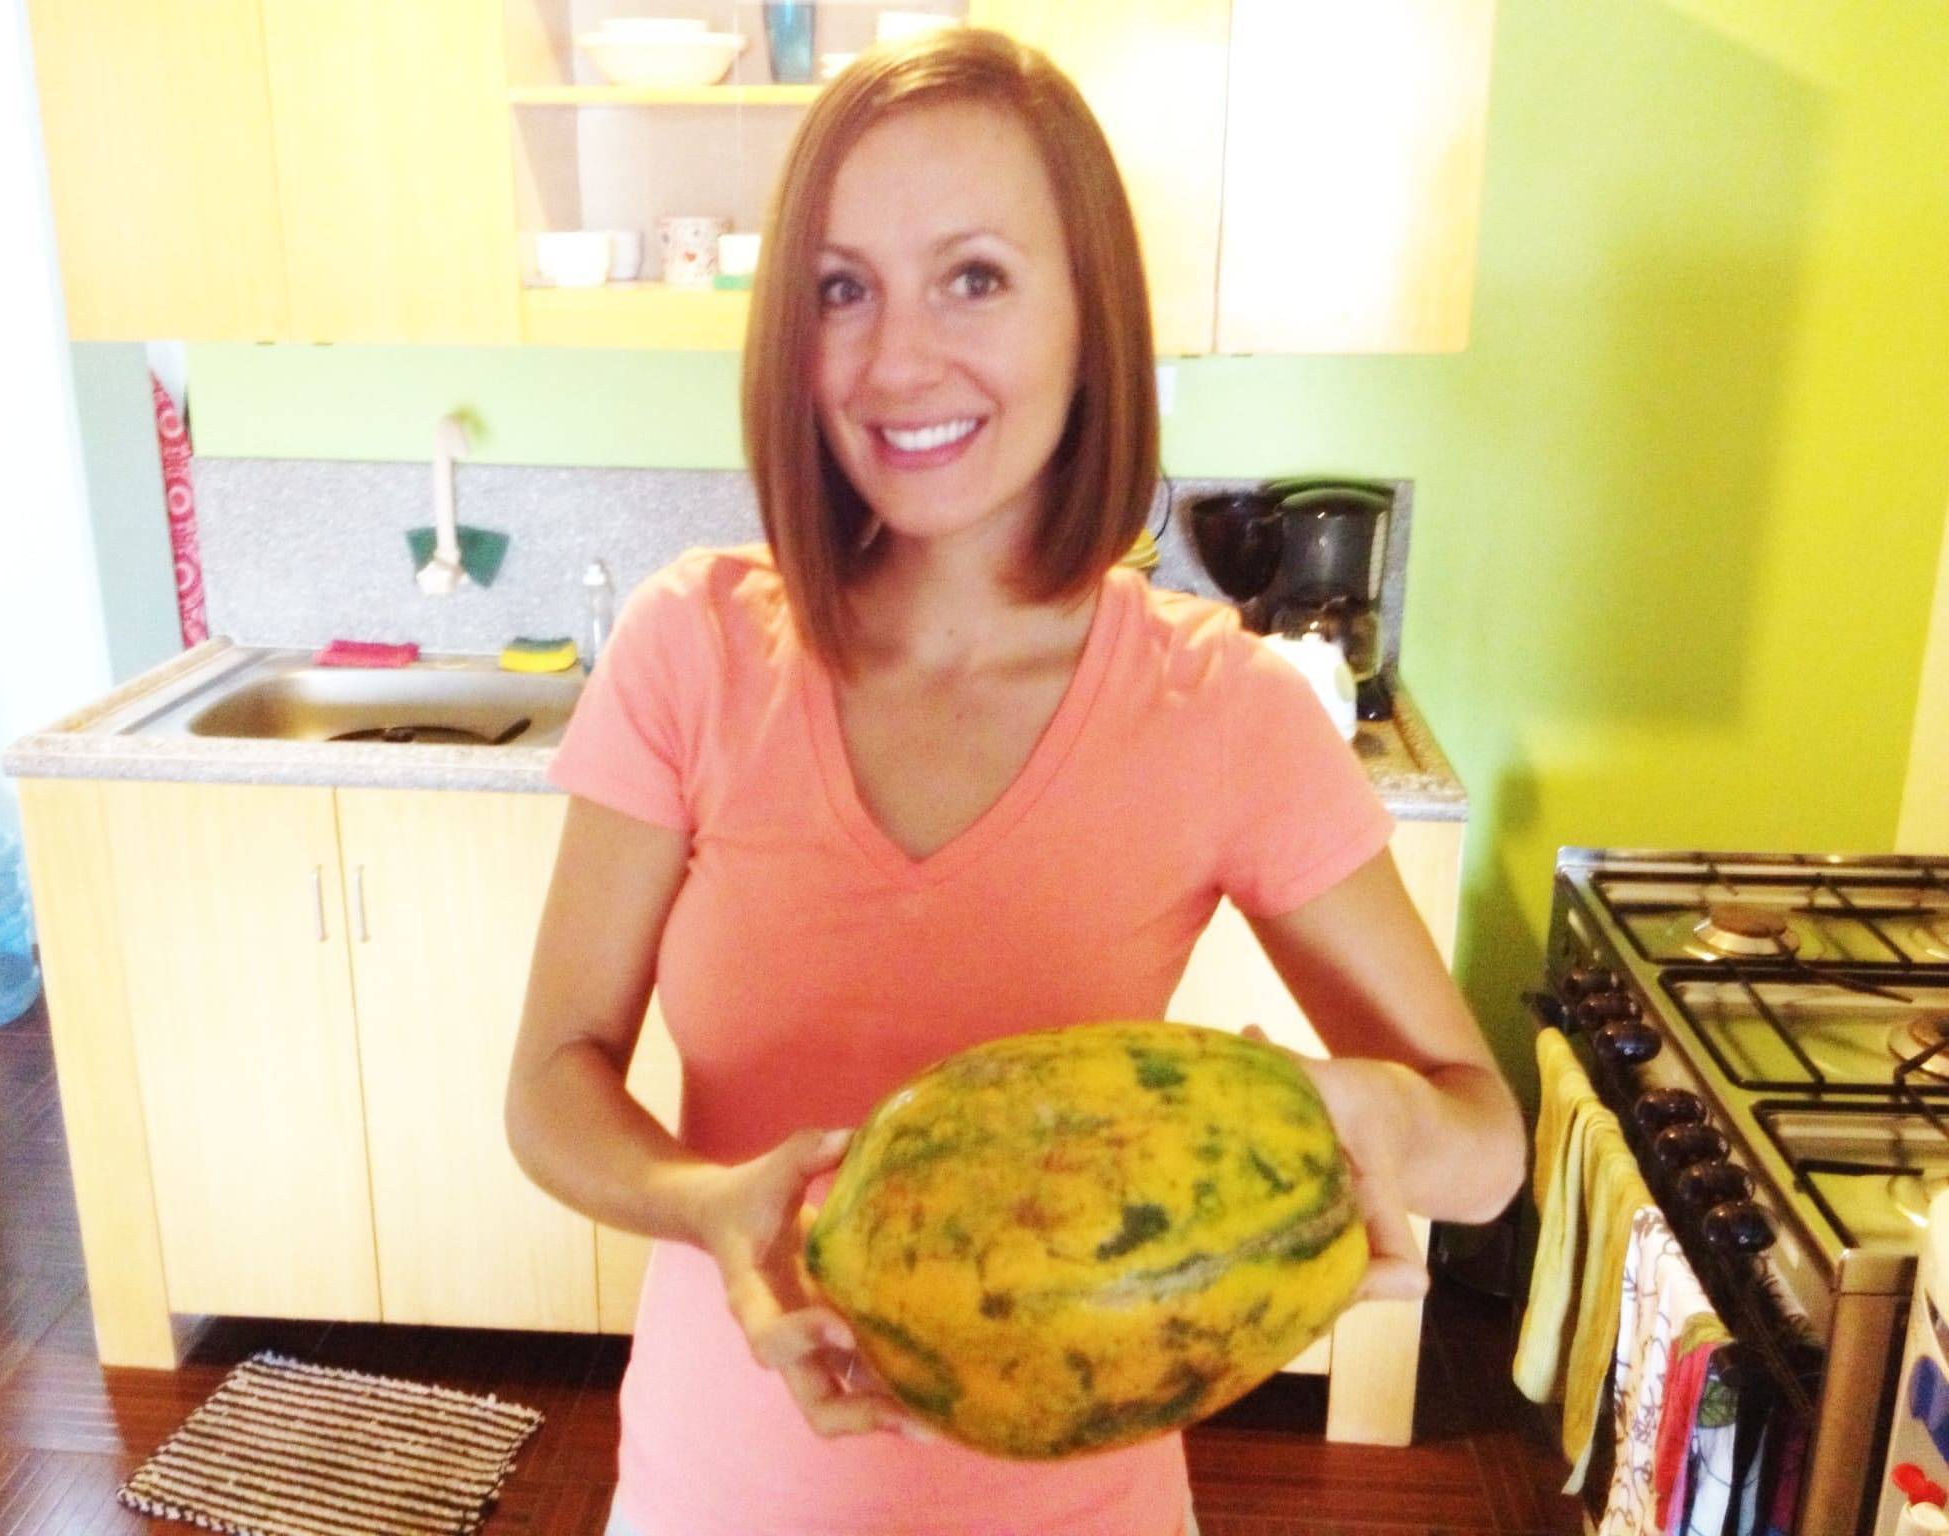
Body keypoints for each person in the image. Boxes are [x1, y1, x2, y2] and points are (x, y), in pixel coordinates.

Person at [505, 26, 1525, 1536]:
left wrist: (1359, 1118)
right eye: (842, 289)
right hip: (715, 1495)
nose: (896, 359)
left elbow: (1485, 1144)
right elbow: (551, 1082)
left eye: (974, 277)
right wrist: (702, 1204)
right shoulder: (691, 648)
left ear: (1086, 317)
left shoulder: (1223, 708)